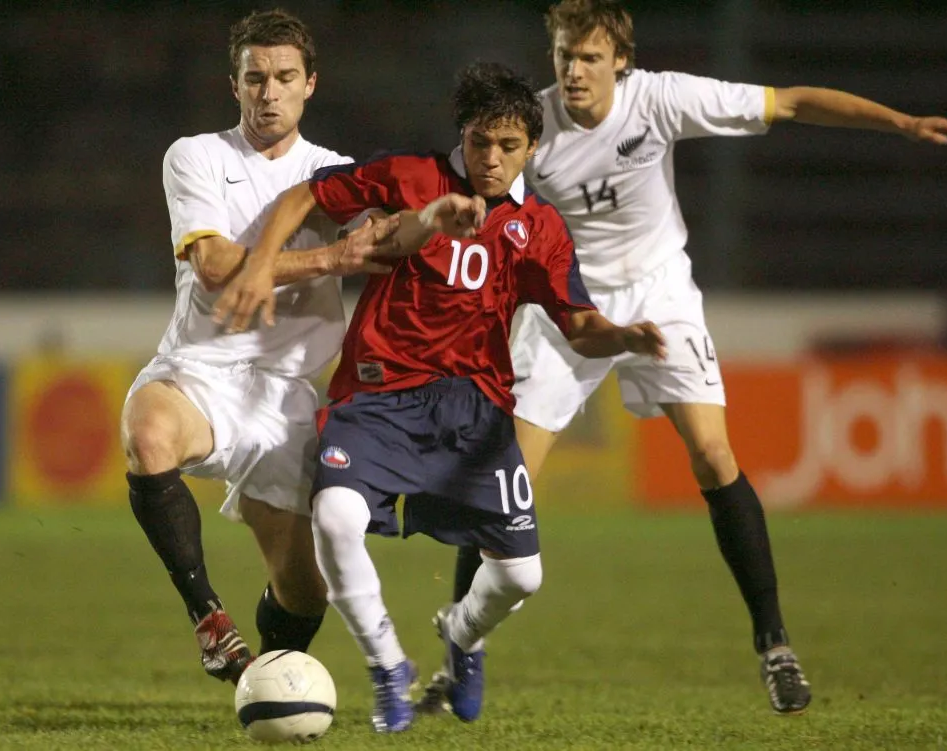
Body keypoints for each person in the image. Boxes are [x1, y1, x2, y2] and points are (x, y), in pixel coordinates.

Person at [423, 0, 947, 716]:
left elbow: (793, 103)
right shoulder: (533, 127)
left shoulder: (663, 98)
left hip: (659, 299)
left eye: (588, 56)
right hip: (565, 310)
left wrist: (900, 123)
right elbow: (452, 188)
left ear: (621, 59)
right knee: (503, 484)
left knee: (712, 455)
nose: (573, 70)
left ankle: (775, 646)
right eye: (563, 55)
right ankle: (462, 655)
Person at [214, 61, 666, 731]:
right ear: (464, 132)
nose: (490, 158)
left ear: (531, 149)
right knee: (335, 520)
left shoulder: (539, 228)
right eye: (480, 141)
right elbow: (306, 197)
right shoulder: (411, 177)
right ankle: (388, 666)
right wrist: (259, 265)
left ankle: (462, 631)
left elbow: (580, 326)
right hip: (377, 397)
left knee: (521, 577)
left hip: (475, 413)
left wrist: (625, 335)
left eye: (508, 146)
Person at [121, 8, 405, 684]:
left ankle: (275, 683)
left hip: (287, 396)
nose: (268, 91)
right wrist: (335, 257)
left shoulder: (334, 171)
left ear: (310, 84)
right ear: (235, 85)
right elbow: (217, 266)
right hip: (202, 371)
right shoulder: (196, 155)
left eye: (283, 77)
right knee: (148, 431)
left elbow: (387, 242)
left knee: (306, 590)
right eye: (255, 78)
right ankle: (210, 619)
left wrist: (434, 219)